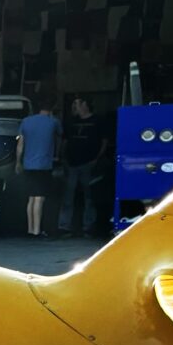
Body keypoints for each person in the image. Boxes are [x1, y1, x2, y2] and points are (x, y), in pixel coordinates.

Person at [60, 94, 111, 238]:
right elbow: (65, 140)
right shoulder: (70, 122)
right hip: (71, 163)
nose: (74, 107)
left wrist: (97, 159)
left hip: (89, 163)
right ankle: (64, 227)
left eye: (77, 104)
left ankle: (88, 227)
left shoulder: (98, 120)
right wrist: (63, 158)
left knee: (89, 197)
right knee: (68, 197)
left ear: (85, 105)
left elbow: (104, 141)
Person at [16, 98, 61, 238]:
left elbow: (20, 145)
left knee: (31, 198)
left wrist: (18, 162)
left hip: (29, 164)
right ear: (51, 108)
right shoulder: (53, 122)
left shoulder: (26, 121)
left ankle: (30, 229)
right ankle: (37, 230)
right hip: (44, 164)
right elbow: (59, 138)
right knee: (40, 198)